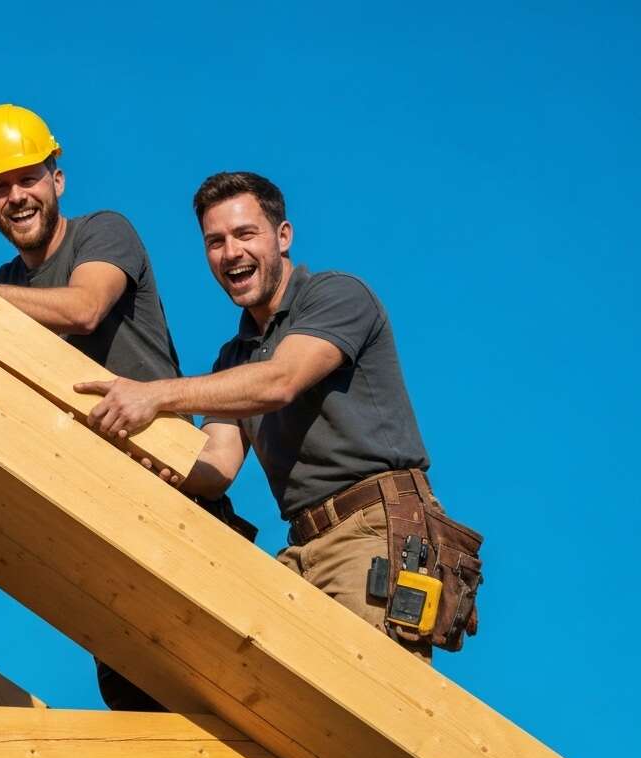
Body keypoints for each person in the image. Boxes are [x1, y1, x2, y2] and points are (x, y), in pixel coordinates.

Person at [0, 105, 254, 707]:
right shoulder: (0, 285)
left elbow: (85, 310)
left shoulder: (103, 233)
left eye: (29, 179)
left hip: (173, 493)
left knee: (239, 702)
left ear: (57, 180)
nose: (17, 197)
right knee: (144, 715)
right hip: (101, 520)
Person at [75, 171, 453, 659]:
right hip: (302, 546)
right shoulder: (234, 360)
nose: (230, 252)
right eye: (215, 241)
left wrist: (154, 395)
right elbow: (216, 467)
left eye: (244, 234)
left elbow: (282, 379)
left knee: (365, 702)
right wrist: (134, 459)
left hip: (372, 532)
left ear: (283, 236)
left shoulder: (336, 296)